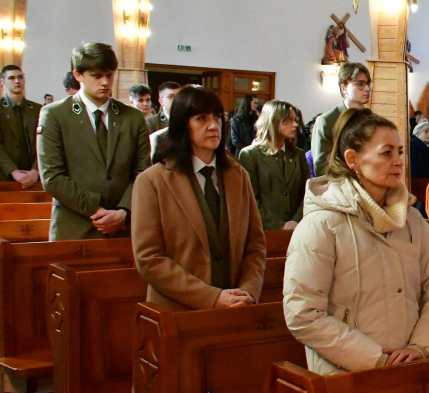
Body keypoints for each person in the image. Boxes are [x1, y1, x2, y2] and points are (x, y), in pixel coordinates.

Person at [283, 109, 429, 375]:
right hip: (346, 376)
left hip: (407, 370)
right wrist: (375, 359)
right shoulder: (322, 225)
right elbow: (303, 314)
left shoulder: (411, 220)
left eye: (400, 152)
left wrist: (421, 346)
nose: (398, 161)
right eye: (386, 153)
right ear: (352, 159)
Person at [132, 84, 266, 310]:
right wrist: (212, 298)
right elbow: (149, 258)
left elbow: (255, 245)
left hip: (236, 307)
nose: (213, 126)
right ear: (182, 124)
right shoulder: (153, 181)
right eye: (201, 118)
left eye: (217, 117)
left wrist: (247, 292)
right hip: (177, 311)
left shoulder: (238, 176)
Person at [37, 43, 151, 241]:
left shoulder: (132, 117)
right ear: (78, 75)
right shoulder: (55, 115)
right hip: (74, 227)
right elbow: (52, 177)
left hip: (123, 227)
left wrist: (123, 211)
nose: (105, 82)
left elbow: (143, 173)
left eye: (109, 75)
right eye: (96, 76)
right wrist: (96, 210)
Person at [237, 100, 310, 231]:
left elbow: (307, 192)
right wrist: (279, 225)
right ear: (273, 122)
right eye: (288, 120)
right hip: (264, 230)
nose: (295, 125)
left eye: (295, 120)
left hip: (297, 229)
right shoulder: (250, 155)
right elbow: (249, 199)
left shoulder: (298, 155)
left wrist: (296, 220)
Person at [312, 62, 371, 177]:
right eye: (360, 84)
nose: (367, 89)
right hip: (340, 183)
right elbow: (322, 166)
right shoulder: (327, 121)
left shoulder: (372, 119)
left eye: (368, 84)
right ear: (344, 88)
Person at [0, 65, 42, 187]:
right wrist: (13, 171)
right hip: (4, 176)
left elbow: (44, 143)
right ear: (3, 82)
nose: (17, 81)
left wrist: (35, 170)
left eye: (20, 77)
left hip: (34, 177)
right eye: (11, 78)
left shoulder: (38, 109)